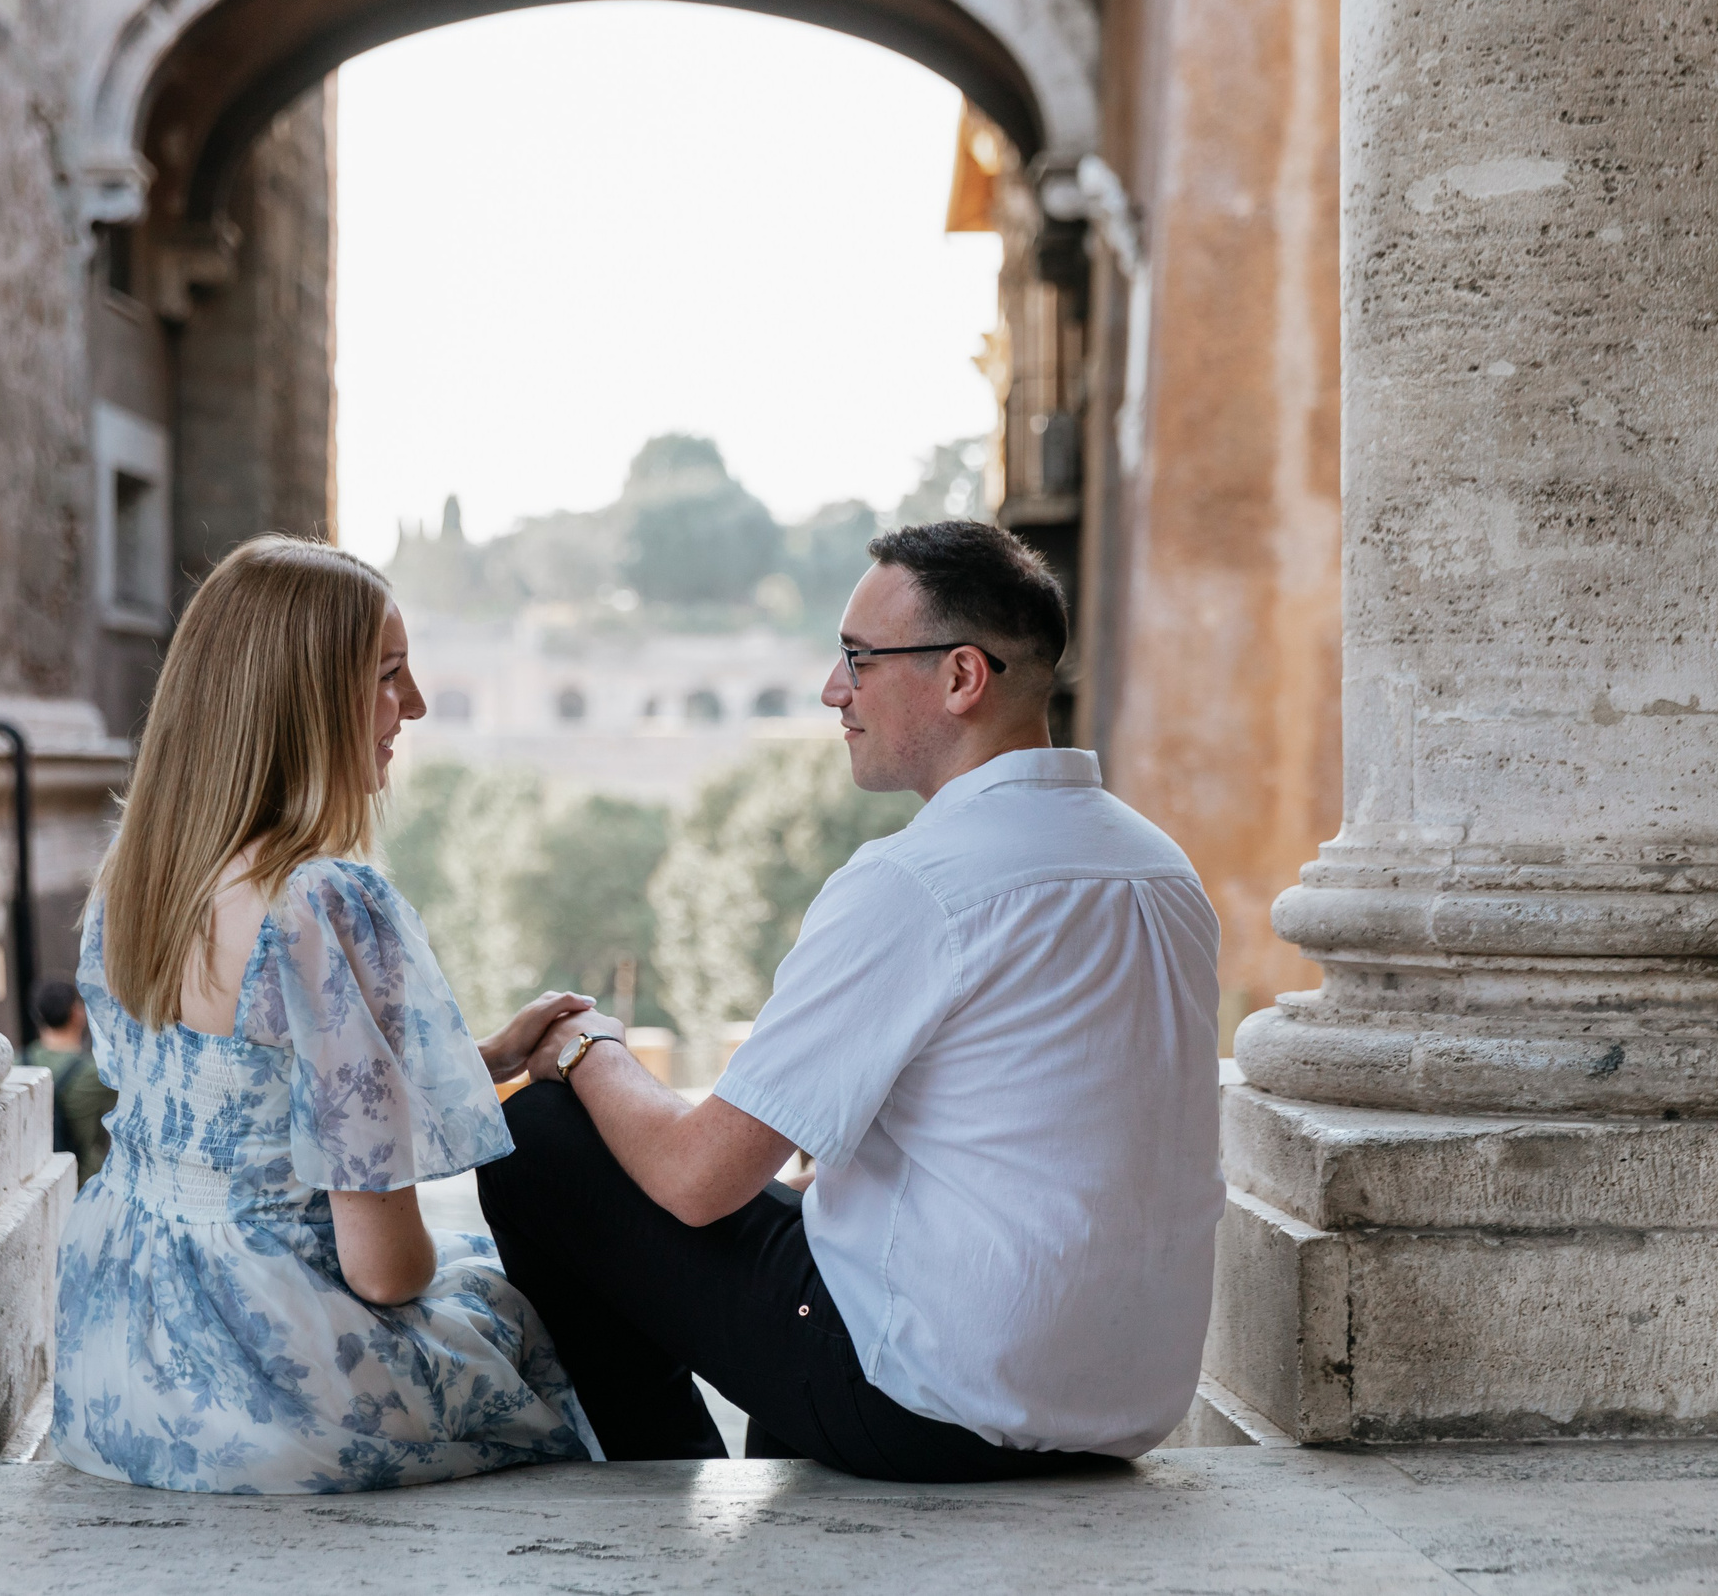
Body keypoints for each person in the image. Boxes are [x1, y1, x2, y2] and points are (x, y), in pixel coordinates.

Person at [478, 520, 1224, 1480]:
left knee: (540, 1138)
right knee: (813, 1220)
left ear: (962, 678)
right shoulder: (1160, 868)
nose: (834, 690)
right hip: (1121, 1404)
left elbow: (699, 1179)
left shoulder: (918, 882)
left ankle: (659, 1477)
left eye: (859, 660)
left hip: (934, 1408)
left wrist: (590, 1044)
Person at [51, 533, 600, 1494]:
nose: (416, 705)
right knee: (551, 1314)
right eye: (389, 676)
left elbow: (234, 1099)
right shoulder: (321, 905)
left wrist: (488, 1059)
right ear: (303, 701)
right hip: (270, 1392)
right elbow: (385, 1270)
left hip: (120, 1367)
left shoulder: (134, 883)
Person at [23, 978, 116, 1184]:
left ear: (38, 1015)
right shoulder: (95, 1073)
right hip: (81, 1185)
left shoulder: (17, 1066)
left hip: (30, 1186)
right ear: (77, 1013)